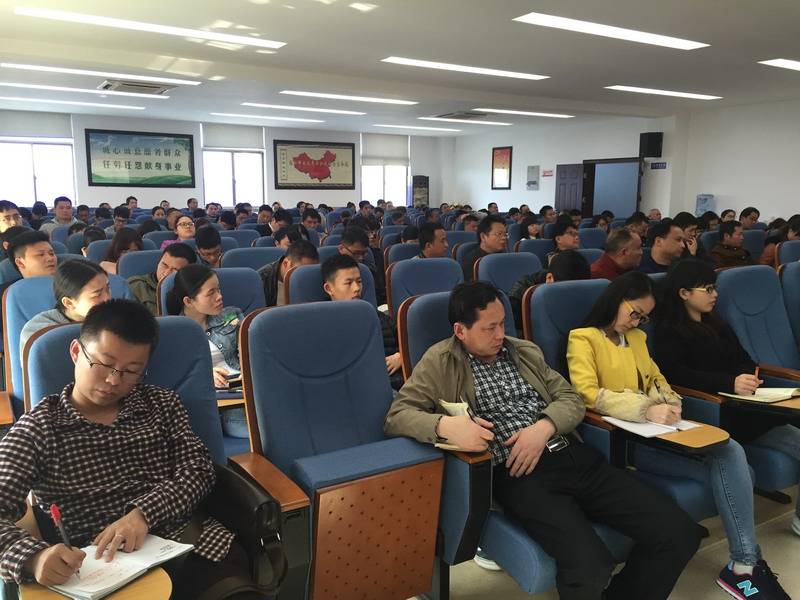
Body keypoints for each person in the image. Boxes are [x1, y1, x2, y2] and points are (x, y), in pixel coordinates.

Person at [385, 280, 700, 600]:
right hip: (520, 474)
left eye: (502, 323)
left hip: (575, 457)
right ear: (461, 330)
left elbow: (571, 399)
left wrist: (545, 426)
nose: (500, 334)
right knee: (589, 565)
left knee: (680, 533)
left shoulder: (524, 351)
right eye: (489, 327)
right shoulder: (440, 361)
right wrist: (444, 425)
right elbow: (397, 416)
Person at [0, 299, 259, 597]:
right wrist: (33, 558)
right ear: (76, 352)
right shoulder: (38, 429)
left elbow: (198, 470)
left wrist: (143, 514)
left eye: (131, 371)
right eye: (103, 364)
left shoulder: (162, 405)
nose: (113, 380)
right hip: (97, 568)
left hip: (191, 546)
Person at [567, 271, 792, 599]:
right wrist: (646, 409)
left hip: (660, 430)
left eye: (644, 317)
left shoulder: (637, 338)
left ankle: (744, 562)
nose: (637, 322)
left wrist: (669, 404)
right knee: (731, 465)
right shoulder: (583, 338)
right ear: (616, 300)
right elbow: (587, 394)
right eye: (635, 313)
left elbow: (657, 379)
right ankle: (745, 564)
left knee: (730, 451)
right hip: (624, 439)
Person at [655, 259, 800, 537]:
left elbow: (745, 359)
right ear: (684, 293)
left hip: (750, 407)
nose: (715, 295)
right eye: (708, 289)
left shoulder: (716, 323)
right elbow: (675, 374)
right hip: (720, 412)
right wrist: (729, 383)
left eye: (714, 288)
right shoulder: (670, 330)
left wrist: (745, 377)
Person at [165, 264, 246, 437]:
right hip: (218, 401)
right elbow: (175, 377)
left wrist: (249, 368)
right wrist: (203, 374)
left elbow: (249, 352)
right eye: (211, 293)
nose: (219, 296)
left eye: (218, 289)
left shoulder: (232, 315)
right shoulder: (174, 332)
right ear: (189, 301)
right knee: (246, 424)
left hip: (245, 388)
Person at [322, 254, 403, 390]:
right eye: (348, 283)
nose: (357, 288)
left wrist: (401, 356)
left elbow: (409, 341)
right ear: (329, 288)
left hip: (403, 381)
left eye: (359, 281)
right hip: (366, 388)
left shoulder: (376, 315)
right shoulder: (323, 323)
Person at [20, 259, 111, 355]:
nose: (107, 298)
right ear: (69, 303)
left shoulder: (115, 319)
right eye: (97, 294)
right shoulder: (41, 334)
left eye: (107, 289)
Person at [508, 250, 590, 334]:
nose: (570, 297)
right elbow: (515, 335)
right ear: (549, 278)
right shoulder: (518, 296)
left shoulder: (587, 290)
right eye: (566, 291)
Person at [128, 243, 196, 315]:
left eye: (175, 270)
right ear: (158, 263)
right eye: (164, 265)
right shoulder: (136, 286)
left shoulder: (193, 291)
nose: (166, 273)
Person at [257, 240, 319, 307]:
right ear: (286, 263)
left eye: (308, 271)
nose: (304, 277)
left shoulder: (316, 276)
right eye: (299, 272)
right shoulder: (262, 280)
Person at [338, 227, 385, 305]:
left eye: (363, 253)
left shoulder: (370, 269)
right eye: (356, 253)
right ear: (341, 249)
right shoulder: (331, 270)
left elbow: (381, 297)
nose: (360, 258)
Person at [461, 215, 506, 282]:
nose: (504, 238)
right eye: (499, 234)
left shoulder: (505, 256)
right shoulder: (472, 261)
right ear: (483, 237)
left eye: (505, 234)